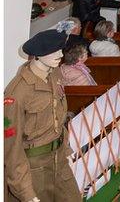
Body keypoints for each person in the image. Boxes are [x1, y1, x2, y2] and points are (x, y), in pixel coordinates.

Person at [4, 30, 83, 202]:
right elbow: (12, 149)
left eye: (61, 50)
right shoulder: (17, 93)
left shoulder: (54, 74)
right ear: (38, 55)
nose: (60, 55)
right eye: (54, 51)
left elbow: (57, 116)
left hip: (59, 160)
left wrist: (65, 148)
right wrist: (26, 192)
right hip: (35, 169)